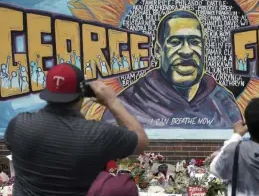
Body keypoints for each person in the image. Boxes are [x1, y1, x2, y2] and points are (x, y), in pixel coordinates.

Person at [4, 63, 148, 196]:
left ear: (47, 92)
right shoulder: (98, 134)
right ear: (82, 94)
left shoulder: (19, 125)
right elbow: (140, 140)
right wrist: (112, 102)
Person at [101, 10, 242, 128]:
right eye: (175, 42)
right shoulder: (129, 103)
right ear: (158, 50)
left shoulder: (222, 100)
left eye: (194, 42)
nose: (187, 51)